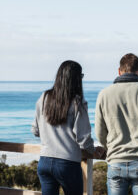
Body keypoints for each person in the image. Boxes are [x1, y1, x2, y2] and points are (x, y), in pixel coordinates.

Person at [32, 60, 104, 195]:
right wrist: (93, 150)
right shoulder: (78, 102)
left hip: (45, 161)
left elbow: (35, 130)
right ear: (76, 79)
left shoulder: (44, 97)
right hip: (68, 163)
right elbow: (83, 138)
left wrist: (51, 137)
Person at [95, 53, 138, 195]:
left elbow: (99, 131)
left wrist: (108, 147)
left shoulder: (104, 94)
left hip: (116, 160)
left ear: (119, 70)